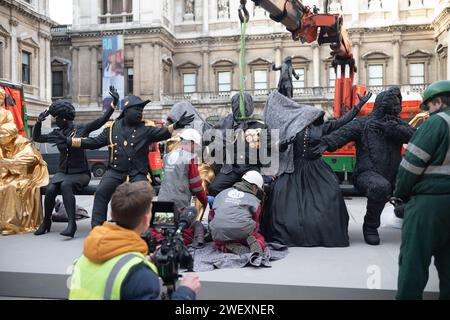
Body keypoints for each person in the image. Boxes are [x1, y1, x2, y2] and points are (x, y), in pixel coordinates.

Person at [50, 94, 195, 228]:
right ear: (126, 111)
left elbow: (162, 133)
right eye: (137, 109)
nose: (140, 112)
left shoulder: (145, 129)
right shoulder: (112, 128)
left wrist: (176, 125)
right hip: (115, 171)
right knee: (101, 191)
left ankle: (143, 227)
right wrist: (69, 141)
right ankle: (97, 228)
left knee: (142, 193)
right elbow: (93, 142)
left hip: (136, 172)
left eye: (141, 110)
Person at [261, 90, 371, 247]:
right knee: (280, 194)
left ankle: (322, 232)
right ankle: (291, 232)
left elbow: (341, 122)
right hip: (295, 168)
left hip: (316, 168)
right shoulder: (293, 127)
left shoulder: (322, 128)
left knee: (331, 193)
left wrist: (358, 107)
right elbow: (276, 145)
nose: (319, 116)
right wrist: (285, 143)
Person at [316, 87, 415, 245]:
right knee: (380, 186)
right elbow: (337, 137)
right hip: (366, 174)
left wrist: (395, 129)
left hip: (395, 175)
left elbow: (417, 137)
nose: (398, 107)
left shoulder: (396, 124)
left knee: (419, 184)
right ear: (384, 105)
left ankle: (411, 221)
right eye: (394, 104)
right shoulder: (363, 124)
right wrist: (319, 144)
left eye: (399, 103)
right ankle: (370, 226)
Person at [69, 181, 200, 300]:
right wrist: (186, 292)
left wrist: (147, 259)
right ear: (145, 219)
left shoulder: (85, 256)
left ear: (112, 214)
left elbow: (110, 270)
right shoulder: (139, 274)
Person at [33, 87, 117, 238]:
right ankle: (46, 222)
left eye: (56, 117)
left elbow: (101, 121)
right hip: (62, 172)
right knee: (51, 189)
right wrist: (39, 121)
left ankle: (72, 225)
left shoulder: (80, 129)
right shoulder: (57, 133)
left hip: (80, 173)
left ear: (64, 118)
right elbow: (38, 138)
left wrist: (113, 104)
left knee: (66, 186)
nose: (55, 120)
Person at [393, 80, 450, 300]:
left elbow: (411, 165)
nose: (428, 112)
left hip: (428, 203)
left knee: (413, 264)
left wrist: (400, 193)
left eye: (428, 107)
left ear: (437, 102)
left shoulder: (436, 123)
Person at [208, 93, 268, 196]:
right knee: (214, 188)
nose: (240, 108)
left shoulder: (260, 125)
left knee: (258, 192)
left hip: (251, 167)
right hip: (232, 168)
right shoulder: (227, 123)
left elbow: (268, 149)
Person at [0, 110, 49, 235]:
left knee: (12, 187)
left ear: (11, 136)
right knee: (2, 186)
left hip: (29, 175)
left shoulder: (23, 144)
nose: (0, 137)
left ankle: (12, 225)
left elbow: (30, 159)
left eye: (2, 135)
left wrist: (7, 162)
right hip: (11, 174)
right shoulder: (3, 147)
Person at [157, 128, 208, 247]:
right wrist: (205, 200)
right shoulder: (190, 158)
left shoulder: (167, 156)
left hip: (162, 201)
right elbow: (196, 185)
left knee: (163, 232)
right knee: (184, 234)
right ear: (191, 143)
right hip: (179, 204)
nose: (196, 149)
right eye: (196, 146)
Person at [209, 171, 265, 255]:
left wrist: (213, 230)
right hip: (242, 233)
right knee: (259, 237)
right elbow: (256, 224)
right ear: (254, 187)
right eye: (257, 189)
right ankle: (256, 245)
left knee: (217, 242)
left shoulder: (222, 193)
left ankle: (226, 247)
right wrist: (251, 233)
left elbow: (211, 215)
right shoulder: (254, 200)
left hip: (220, 232)